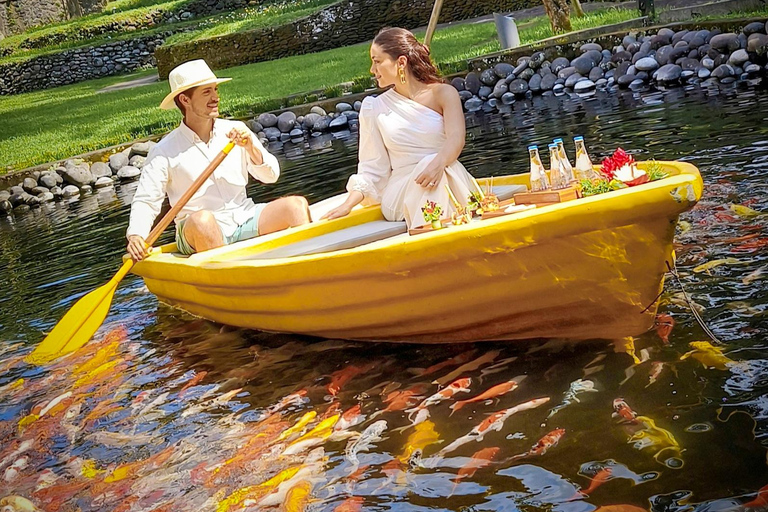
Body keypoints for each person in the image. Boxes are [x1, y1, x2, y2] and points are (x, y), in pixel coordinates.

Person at [126, 59, 310, 260]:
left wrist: (250, 148)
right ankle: (228, 285)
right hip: (195, 229)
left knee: (296, 206)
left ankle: (309, 272)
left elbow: (271, 176)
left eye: (215, 90)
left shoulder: (236, 130)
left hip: (243, 216)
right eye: (206, 92)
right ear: (185, 100)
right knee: (204, 221)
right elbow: (146, 199)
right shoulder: (164, 150)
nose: (216, 97)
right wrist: (136, 235)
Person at [322, 27, 477, 228]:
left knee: (440, 169)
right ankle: (436, 232)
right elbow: (372, 167)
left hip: (445, 172)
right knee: (432, 169)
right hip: (401, 192)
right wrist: (348, 204)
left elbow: (456, 139)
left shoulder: (444, 94)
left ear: (401, 62)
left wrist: (438, 164)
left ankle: (436, 230)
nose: (372, 70)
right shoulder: (374, 108)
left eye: (377, 61)